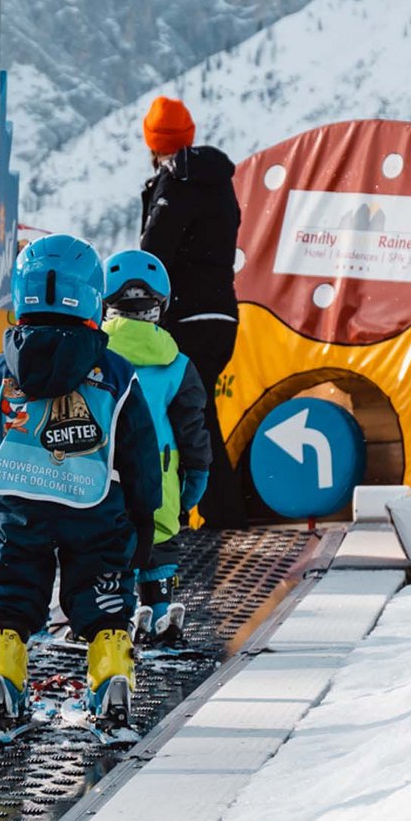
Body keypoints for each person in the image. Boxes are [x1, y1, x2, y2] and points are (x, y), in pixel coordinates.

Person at [0, 234, 162, 733]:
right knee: (100, 593)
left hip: (17, 505)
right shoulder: (116, 374)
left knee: (11, 591)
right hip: (94, 506)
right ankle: (111, 669)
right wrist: (143, 514)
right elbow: (137, 451)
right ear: (92, 296)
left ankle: (3, 670)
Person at [137, 95, 245, 528]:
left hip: (185, 318)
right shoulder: (218, 181)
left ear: (152, 143)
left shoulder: (175, 184)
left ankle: (207, 516)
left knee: (181, 415)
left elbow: (153, 255)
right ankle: (213, 512)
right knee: (198, 414)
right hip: (222, 316)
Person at [101, 249, 212, 645]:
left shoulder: (92, 358)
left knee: (109, 545)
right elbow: (193, 432)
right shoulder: (178, 366)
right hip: (160, 480)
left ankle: (114, 613)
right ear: (160, 306)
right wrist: (194, 480)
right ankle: (161, 612)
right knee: (159, 544)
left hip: (101, 479)